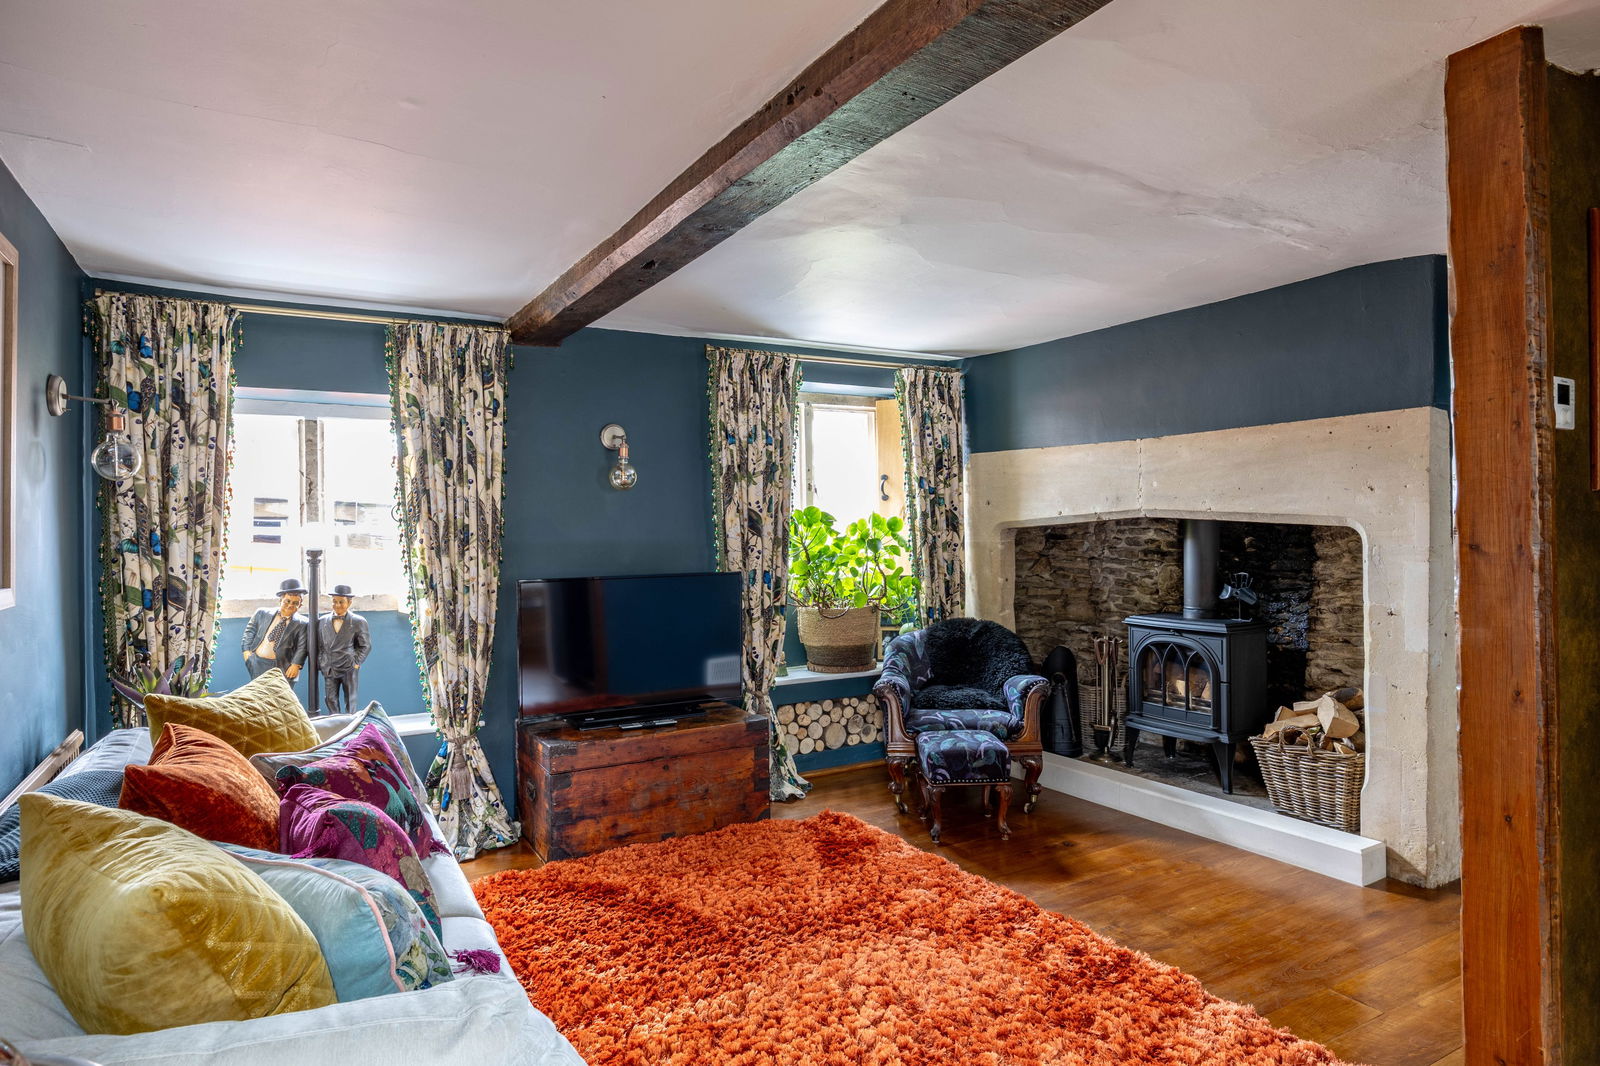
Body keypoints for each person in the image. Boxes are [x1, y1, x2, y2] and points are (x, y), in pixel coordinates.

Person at [241, 578, 309, 687]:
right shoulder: (262, 613)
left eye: (295, 603)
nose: (290, 605)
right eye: (287, 601)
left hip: (284, 667)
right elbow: (249, 631)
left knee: (280, 694)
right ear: (280, 600)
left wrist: (296, 664)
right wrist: (247, 653)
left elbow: (302, 646)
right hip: (258, 663)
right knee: (259, 692)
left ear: (300, 605)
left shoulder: (303, 623)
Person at [318, 584, 371, 715]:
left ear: (349, 602)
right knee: (330, 698)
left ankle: (350, 722)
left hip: (348, 667)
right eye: (334, 601)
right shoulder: (322, 621)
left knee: (350, 699)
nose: (337, 605)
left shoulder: (358, 621)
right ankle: (335, 721)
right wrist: (322, 662)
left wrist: (356, 663)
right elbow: (320, 645)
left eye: (341, 602)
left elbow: (365, 645)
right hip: (329, 667)